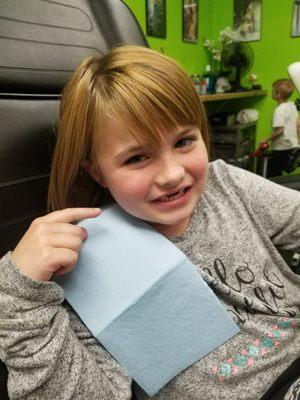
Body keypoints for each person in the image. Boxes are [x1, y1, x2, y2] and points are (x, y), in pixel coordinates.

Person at [0, 45, 299, 400]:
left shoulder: (226, 184)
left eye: (185, 141)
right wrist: (19, 297)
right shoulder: (88, 264)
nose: (173, 174)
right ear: (97, 172)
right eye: (138, 157)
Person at [263, 78, 299, 177]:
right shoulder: (292, 105)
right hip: (292, 145)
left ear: (278, 94)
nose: (271, 92)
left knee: (272, 175)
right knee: (280, 172)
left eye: (273, 90)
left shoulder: (279, 110)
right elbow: (297, 124)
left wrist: (266, 140)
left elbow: (280, 130)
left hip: (281, 147)